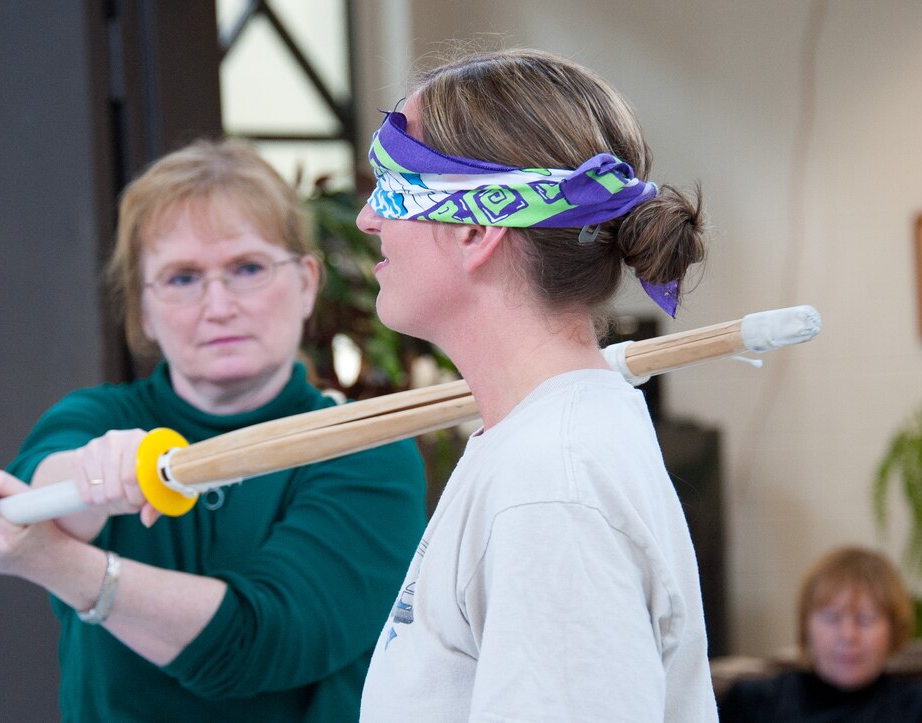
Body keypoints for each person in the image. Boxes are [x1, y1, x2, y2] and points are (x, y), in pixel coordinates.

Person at [0, 138, 428, 722]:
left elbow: (258, 644)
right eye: (182, 278)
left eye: (247, 268)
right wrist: (93, 476)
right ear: (143, 310)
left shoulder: (366, 446)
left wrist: (53, 562)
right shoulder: (98, 420)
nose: (217, 306)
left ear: (306, 283)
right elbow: (37, 493)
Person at [353, 48, 717, 721]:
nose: (368, 218)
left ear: (477, 226)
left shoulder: (551, 486)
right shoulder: (534, 445)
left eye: (393, 183)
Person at [720, 546, 922, 722]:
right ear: (806, 625)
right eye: (831, 618)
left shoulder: (915, 706)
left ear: (894, 628)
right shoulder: (752, 702)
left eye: (865, 619)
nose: (848, 635)